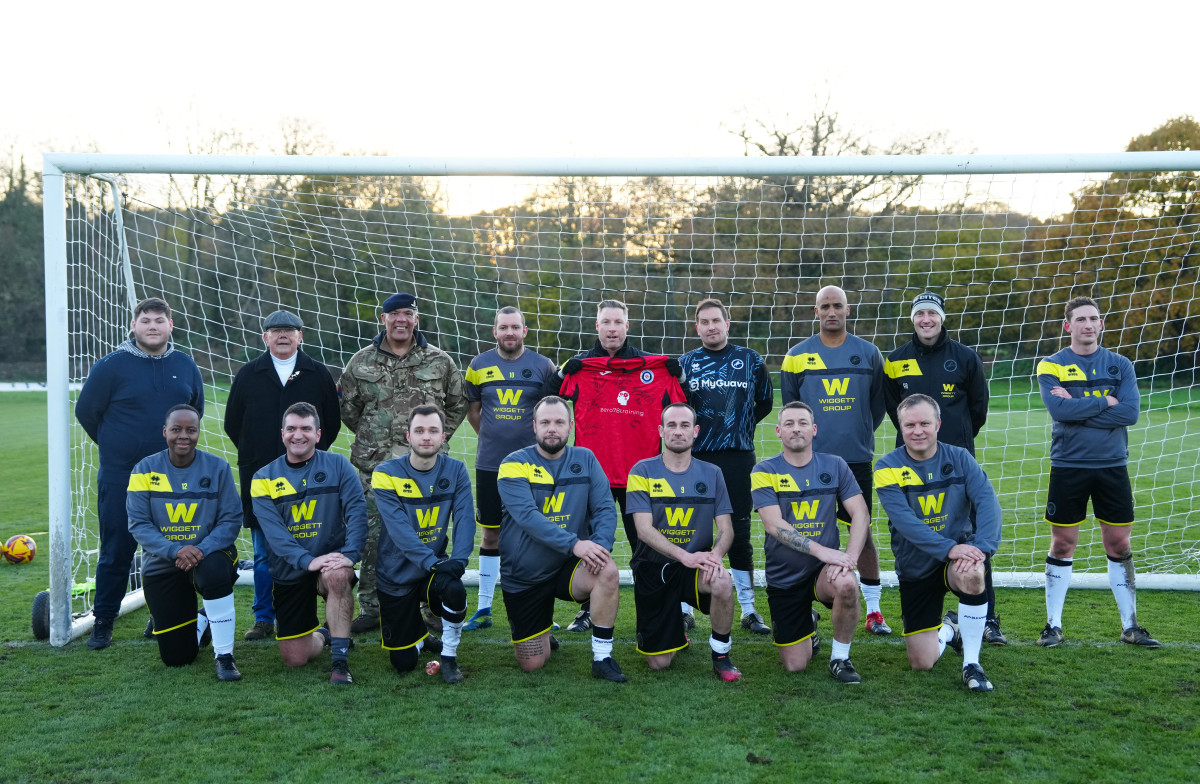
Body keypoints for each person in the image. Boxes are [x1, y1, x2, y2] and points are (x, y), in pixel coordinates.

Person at [75, 297, 205, 650]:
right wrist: (118, 447)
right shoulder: (111, 366)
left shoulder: (185, 365)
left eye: (159, 320)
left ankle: (162, 617)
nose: (152, 326)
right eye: (145, 320)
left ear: (170, 326)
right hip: (122, 475)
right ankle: (103, 621)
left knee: (172, 547)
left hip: (174, 477)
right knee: (117, 548)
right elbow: (86, 411)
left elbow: (194, 413)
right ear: (134, 326)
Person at [548, 299, 685, 632]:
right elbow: (547, 399)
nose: (612, 328)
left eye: (617, 322)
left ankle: (656, 610)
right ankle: (587, 609)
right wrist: (564, 372)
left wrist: (678, 372)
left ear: (627, 326)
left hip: (640, 474)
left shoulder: (654, 369)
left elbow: (684, 408)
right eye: (606, 322)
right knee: (589, 542)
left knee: (648, 546)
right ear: (597, 326)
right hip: (593, 474)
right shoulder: (582, 366)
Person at [340, 292, 467, 634]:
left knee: (428, 534)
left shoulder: (440, 362)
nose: (400, 319)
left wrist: (435, 439)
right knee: (373, 535)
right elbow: (349, 409)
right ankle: (372, 606)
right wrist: (375, 439)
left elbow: (457, 404)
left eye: (407, 314)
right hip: (375, 467)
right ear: (383, 319)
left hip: (427, 470)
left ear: (416, 319)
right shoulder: (360, 362)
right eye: (393, 313)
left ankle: (430, 604)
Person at [1035, 296, 1158, 649]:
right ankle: (1053, 625)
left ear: (1101, 324)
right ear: (1068, 325)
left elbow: (1130, 413)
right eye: (1081, 319)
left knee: (1119, 543)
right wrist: (1105, 401)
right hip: (1068, 465)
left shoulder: (1120, 365)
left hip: (1112, 465)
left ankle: (1131, 626)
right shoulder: (1051, 364)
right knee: (1063, 542)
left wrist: (1077, 407)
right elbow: (1059, 410)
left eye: (1094, 319)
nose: (1089, 325)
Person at [883, 293, 1004, 644]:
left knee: (972, 533)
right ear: (913, 319)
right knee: (911, 532)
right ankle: (919, 609)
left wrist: (957, 440)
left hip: (957, 464)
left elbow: (978, 409)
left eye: (931, 313)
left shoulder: (965, 358)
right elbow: (895, 409)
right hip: (911, 466)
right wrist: (918, 441)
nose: (926, 319)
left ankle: (987, 618)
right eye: (919, 313)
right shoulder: (895, 361)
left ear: (941, 317)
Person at [223, 309, 341, 642]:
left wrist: (305, 456)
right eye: (275, 330)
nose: (283, 335)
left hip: (311, 480)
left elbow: (330, 423)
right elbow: (234, 424)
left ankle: (326, 617)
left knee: (314, 545)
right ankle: (264, 618)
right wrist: (261, 457)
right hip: (260, 477)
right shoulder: (249, 374)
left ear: (301, 335)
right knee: (263, 553)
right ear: (265, 337)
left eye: (290, 330)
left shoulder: (317, 374)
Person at [780, 285, 891, 635]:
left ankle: (873, 609)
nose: (831, 311)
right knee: (806, 531)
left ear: (847, 310)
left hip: (856, 460)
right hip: (808, 462)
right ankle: (803, 604)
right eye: (825, 306)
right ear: (816, 312)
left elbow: (877, 406)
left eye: (837, 305)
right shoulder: (796, 355)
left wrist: (855, 431)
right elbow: (792, 409)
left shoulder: (870, 353)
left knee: (863, 530)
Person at [874, 394, 1002, 692]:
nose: (917, 430)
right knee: (922, 662)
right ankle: (949, 630)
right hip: (916, 565)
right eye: (910, 425)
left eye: (924, 423)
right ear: (900, 427)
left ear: (938, 424)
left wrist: (982, 548)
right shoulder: (886, 466)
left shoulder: (960, 457)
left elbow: (987, 501)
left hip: (958, 560)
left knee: (972, 573)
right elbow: (906, 523)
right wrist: (948, 547)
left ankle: (972, 664)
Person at [496, 396, 627, 682]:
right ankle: (540, 628)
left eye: (558, 422)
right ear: (534, 426)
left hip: (569, 567)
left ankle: (602, 658)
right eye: (545, 422)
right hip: (525, 574)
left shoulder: (586, 459)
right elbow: (529, 517)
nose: (551, 428)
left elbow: (604, 507)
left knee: (607, 570)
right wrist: (575, 544)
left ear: (570, 426)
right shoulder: (513, 464)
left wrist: (601, 547)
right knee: (534, 663)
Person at [751, 402, 870, 683]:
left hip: (823, 573)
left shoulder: (835, 465)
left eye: (803, 423)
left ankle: (840, 658)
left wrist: (849, 558)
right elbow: (774, 525)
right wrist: (824, 551)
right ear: (779, 432)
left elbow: (861, 513)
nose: (796, 429)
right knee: (796, 665)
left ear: (814, 430)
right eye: (789, 424)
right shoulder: (764, 470)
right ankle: (809, 622)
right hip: (784, 575)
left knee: (847, 583)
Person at [252, 403, 368, 684]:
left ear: (317, 434)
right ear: (282, 434)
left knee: (339, 575)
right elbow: (275, 534)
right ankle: (326, 634)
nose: (298, 435)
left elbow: (357, 511)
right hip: (291, 569)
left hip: (330, 563)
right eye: (291, 428)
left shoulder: (338, 465)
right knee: (296, 659)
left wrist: (350, 554)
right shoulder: (262, 478)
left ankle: (340, 663)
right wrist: (307, 560)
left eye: (306, 428)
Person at [126, 405, 242, 680]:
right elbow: (138, 524)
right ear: (165, 431)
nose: (184, 436)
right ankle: (204, 620)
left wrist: (199, 549)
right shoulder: (144, 469)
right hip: (164, 563)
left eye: (191, 430)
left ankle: (224, 657)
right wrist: (176, 549)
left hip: (209, 556)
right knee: (177, 658)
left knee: (213, 572)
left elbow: (231, 520)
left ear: (198, 432)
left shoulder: (217, 467)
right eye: (176, 429)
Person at [627, 403, 741, 680]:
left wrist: (715, 554)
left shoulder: (712, 472)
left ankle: (721, 655)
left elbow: (726, 529)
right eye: (672, 425)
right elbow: (643, 529)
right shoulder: (641, 471)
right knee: (659, 663)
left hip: (696, 566)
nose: (678, 431)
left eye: (685, 425)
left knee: (723, 580)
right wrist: (684, 556)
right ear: (661, 431)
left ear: (696, 431)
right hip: (653, 568)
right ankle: (673, 627)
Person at [680, 298, 774, 635]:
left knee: (739, 532)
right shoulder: (685, 364)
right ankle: (684, 606)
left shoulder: (750, 360)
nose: (710, 327)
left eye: (716, 320)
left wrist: (740, 428)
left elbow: (765, 401)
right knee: (691, 531)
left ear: (727, 323)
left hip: (738, 459)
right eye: (704, 322)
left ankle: (748, 609)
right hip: (697, 459)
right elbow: (677, 410)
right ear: (697, 327)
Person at [461, 306, 557, 632]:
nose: (509, 333)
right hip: (490, 464)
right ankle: (484, 607)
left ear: (525, 331)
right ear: (495, 331)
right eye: (504, 327)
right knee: (491, 533)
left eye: (515, 327)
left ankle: (543, 610)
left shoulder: (543, 366)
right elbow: (474, 411)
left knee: (539, 533)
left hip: (534, 466)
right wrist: (493, 438)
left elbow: (551, 413)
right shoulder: (478, 366)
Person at [371, 406, 476, 683]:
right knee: (403, 664)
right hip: (396, 575)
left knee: (454, 588)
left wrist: (459, 561)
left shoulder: (456, 470)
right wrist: (435, 562)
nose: (426, 437)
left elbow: (465, 518)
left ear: (443, 437)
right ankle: (418, 635)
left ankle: (449, 657)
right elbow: (399, 529)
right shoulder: (385, 473)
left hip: (431, 571)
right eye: (419, 431)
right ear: (408, 436)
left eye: (433, 431)